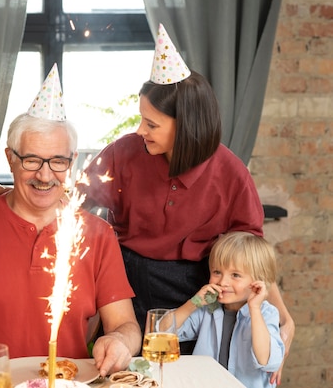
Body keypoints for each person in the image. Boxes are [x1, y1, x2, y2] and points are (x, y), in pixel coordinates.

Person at [77, 24, 294, 384]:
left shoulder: (231, 174)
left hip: (197, 296)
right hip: (125, 288)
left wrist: (285, 318)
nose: (140, 130)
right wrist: (7, 192)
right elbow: (70, 201)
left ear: (186, 126)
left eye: (152, 123)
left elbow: (252, 258)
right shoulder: (124, 153)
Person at [0, 65, 142, 385]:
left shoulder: (98, 234)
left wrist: (121, 342)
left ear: (71, 161)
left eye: (58, 161)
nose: (45, 175)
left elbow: (127, 326)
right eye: (32, 160)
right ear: (10, 159)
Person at [174, 231, 285, 388]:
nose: (223, 282)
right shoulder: (207, 310)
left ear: (259, 280)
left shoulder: (266, 314)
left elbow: (266, 361)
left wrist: (254, 309)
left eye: (235, 275)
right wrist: (194, 302)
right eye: (217, 272)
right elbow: (161, 331)